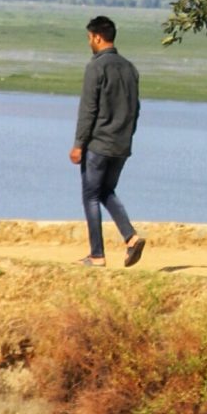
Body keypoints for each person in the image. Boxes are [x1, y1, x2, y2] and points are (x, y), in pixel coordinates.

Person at [70, 14, 144, 265]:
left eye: (89, 38)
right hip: (121, 144)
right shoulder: (130, 68)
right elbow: (136, 108)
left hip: (99, 144)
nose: (89, 43)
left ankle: (97, 255)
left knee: (91, 195)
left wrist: (79, 144)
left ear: (97, 37)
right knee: (106, 191)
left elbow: (88, 109)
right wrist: (127, 137)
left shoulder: (96, 67)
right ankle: (131, 238)